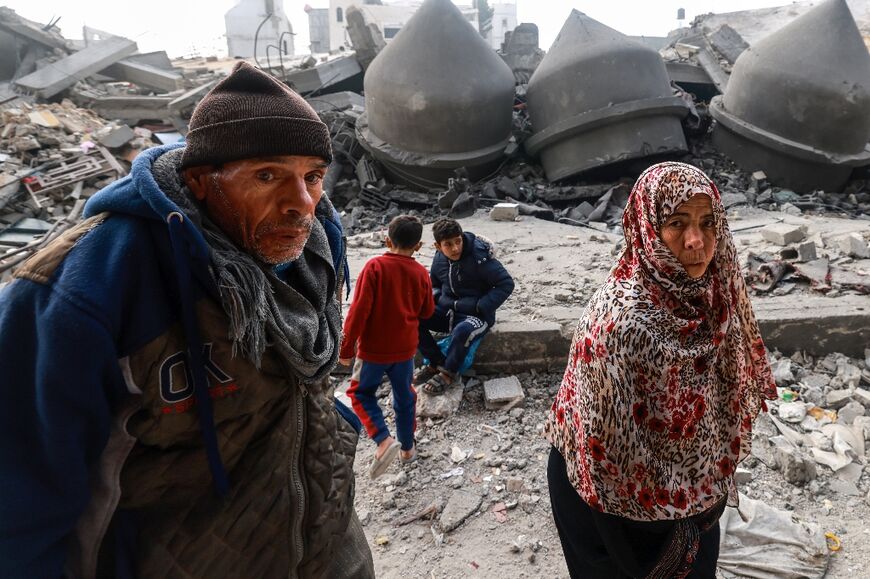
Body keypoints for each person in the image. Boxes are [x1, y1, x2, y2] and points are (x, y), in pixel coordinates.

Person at [0, 62, 374, 579]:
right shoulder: (91, 284)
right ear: (200, 181)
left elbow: (300, 382)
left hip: (327, 546)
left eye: (311, 176)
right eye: (267, 175)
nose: (301, 204)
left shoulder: (316, 247)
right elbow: (20, 496)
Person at [545, 162, 776, 578]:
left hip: (687, 494)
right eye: (676, 223)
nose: (696, 241)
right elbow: (611, 460)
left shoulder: (713, 294)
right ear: (647, 228)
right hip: (613, 506)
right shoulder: (621, 323)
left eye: (708, 223)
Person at [339, 215, 435, 478]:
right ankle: (407, 449)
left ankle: (383, 440)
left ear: (387, 239)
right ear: (418, 246)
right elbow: (427, 311)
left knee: (360, 394)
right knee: (405, 397)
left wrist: (346, 350)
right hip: (405, 349)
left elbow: (358, 312)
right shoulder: (420, 273)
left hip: (373, 351)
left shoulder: (375, 267)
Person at [415, 218, 515, 394]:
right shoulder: (439, 259)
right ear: (438, 247)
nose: (455, 248)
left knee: (463, 331)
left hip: (476, 315)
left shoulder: (480, 257)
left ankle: (448, 373)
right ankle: (435, 362)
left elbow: (506, 283)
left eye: (458, 241)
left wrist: (481, 306)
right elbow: (434, 285)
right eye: (448, 244)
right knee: (412, 318)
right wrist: (438, 299)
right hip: (448, 312)